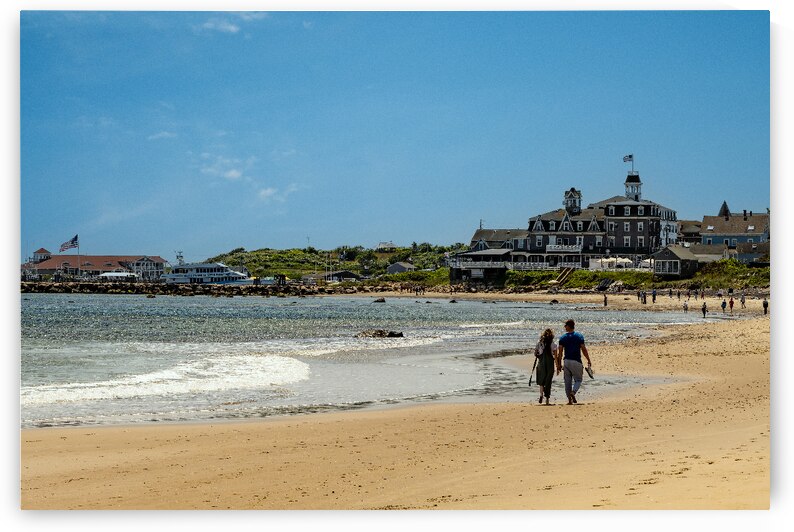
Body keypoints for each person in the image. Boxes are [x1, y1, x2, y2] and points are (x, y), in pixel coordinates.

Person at [556, 319, 592, 405]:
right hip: (576, 361)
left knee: (567, 381)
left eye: (565, 325)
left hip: (567, 361)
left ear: (569, 326)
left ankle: (569, 400)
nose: (564, 327)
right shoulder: (579, 336)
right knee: (578, 380)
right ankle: (573, 392)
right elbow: (583, 349)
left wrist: (559, 364)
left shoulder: (563, 338)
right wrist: (588, 359)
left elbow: (560, 352)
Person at [533, 328, 558, 405]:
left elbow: (535, 353)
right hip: (550, 363)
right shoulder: (553, 344)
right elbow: (555, 356)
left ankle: (541, 395)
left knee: (541, 379)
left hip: (541, 363)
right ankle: (547, 398)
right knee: (548, 380)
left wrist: (538, 356)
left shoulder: (539, 343)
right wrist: (558, 365)